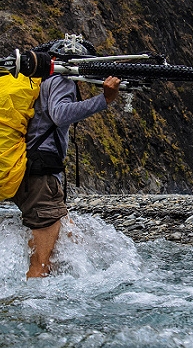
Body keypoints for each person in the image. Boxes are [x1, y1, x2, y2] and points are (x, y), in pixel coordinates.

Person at [11, 46, 120, 278]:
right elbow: (59, 114)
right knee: (42, 263)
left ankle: (63, 293)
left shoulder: (43, 81)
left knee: (68, 239)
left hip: (32, 173)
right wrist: (104, 100)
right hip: (41, 175)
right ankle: (28, 309)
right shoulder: (62, 80)